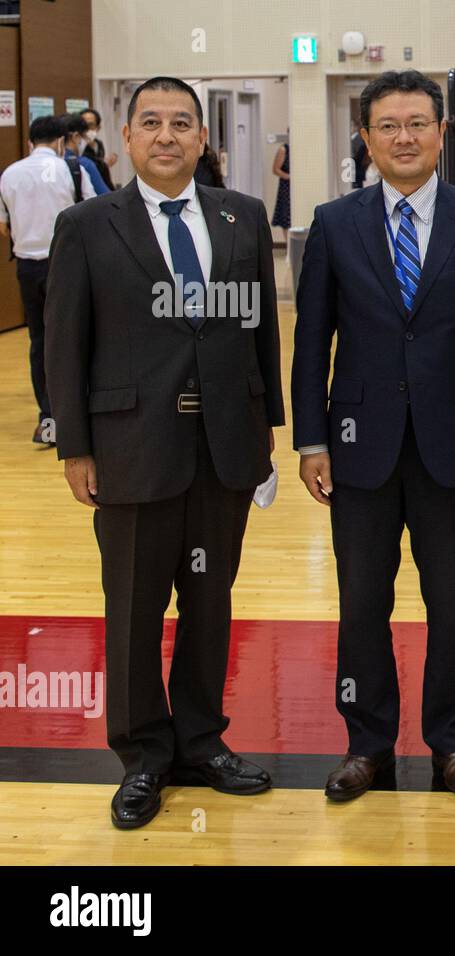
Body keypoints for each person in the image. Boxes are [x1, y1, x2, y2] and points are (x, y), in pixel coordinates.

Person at [43, 76, 284, 829]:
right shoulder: (88, 224)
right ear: (126, 138)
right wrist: (75, 447)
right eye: (151, 122)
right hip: (130, 447)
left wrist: (267, 425)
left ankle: (203, 742)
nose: (168, 135)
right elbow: (64, 342)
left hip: (225, 448)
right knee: (136, 609)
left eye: (183, 122)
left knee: (210, 603)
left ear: (203, 139)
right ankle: (144, 755)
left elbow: (258, 332)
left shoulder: (241, 217)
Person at [292, 70, 455, 802]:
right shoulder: (333, 223)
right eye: (388, 125)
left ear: (442, 133)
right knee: (363, 601)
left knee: (454, 600)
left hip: (454, 443)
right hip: (358, 444)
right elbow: (312, 342)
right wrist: (310, 440)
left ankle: (454, 741)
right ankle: (367, 743)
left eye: (418, 123)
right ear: (366, 136)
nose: (404, 137)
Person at [0, 115, 95, 446]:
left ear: (29, 142)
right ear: (60, 141)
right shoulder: (71, 169)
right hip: (66, 264)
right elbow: (93, 211)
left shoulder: (10, 174)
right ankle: (82, 412)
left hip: (27, 267)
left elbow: (4, 225)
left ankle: (49, 420)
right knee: (75, 335)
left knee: (39, 342)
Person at [59, 113, 111, 196]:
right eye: (85, 137)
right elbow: (106, 197)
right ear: (76, 137)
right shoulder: (84, 164)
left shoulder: (50, 162)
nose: (86, 142)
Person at [79, 108, 117, 190]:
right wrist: (105, 164)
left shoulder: (99, 144)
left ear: (98, 127)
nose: (86, 129)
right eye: (83, 125)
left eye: (90, 125)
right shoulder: (78, 148)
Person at [271, 139, 290, 240]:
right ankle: (288, 246)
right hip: (286, 187)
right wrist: (289, 176)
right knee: (286, 217)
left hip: (294, 188)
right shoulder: (284, 149)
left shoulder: (300, 149)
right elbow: (275, 169)